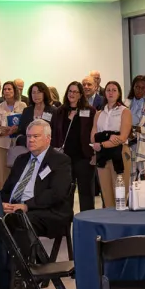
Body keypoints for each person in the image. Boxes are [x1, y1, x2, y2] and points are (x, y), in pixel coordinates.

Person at [1, 120, 74, 254]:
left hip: (46, 211)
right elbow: (7, 189)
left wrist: (26, 205)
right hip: (15, 208)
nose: (31, 140)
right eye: (29, 136)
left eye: (36, 136)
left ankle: (21, 268)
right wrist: (3, 203)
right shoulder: (21, 160)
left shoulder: (60, 160)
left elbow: (56, 193)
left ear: (48, 139)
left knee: (18, 221)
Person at [57, 80, 96, 212]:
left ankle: (88, 220)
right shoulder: (60, 111)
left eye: (75, 92)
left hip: (84, 157)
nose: (72, 94)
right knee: (66, 193)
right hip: (64, 159)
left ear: (80, 95)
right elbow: (55, 134)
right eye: (70, 91)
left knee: (86, 192)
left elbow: (93, 133)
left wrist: (94, 154)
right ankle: (65, 223)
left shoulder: (89, 111)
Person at [92, 81, 132, 206]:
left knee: (120, 193)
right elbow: (93, 136)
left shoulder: (124, 111)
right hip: (102, 156)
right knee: (106, 194)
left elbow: (123, 137)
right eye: (108, 90)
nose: (111, 92)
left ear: (119, 93)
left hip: (119, 154)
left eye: (114, 90)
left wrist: (102, 143)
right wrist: (110, 137)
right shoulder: (99, 113)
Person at [0, 79, 24, 190]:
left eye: (9, 89)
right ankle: (1, 199)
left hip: (18, 145)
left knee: (18, 173)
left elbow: (26, 125)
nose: (6, 91)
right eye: (5, 89)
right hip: (2, 145)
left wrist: (17, 129)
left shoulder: (23, 106)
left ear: (15, 91)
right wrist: (2, 131)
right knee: (2, 175)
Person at [20, 81, 62, 157]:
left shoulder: (53, 111)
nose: (36, 95)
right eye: (33, 93)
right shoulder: (27, 111)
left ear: (45, 93)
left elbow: (56, 133)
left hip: (47, 151)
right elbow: (21, 130)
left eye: (39, 92)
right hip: (29, 150)